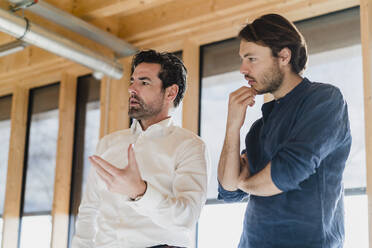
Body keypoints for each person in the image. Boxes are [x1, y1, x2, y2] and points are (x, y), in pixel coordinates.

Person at [217, 14, 351, 248]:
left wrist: (245, 184)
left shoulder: (324, 100)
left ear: (284, 56)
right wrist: (232, 126)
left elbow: (286, 172)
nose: (242, 69)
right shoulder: (260, 127)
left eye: (251, 59)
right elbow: (228, 188)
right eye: (242, 59)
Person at [72, 50, 210, 248]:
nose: (131, 89)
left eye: (144, 82)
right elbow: (89, 209)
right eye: (132, 81)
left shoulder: (190, 146)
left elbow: (185, 218)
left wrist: (140, 192)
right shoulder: (108, 143)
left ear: (170, 92)